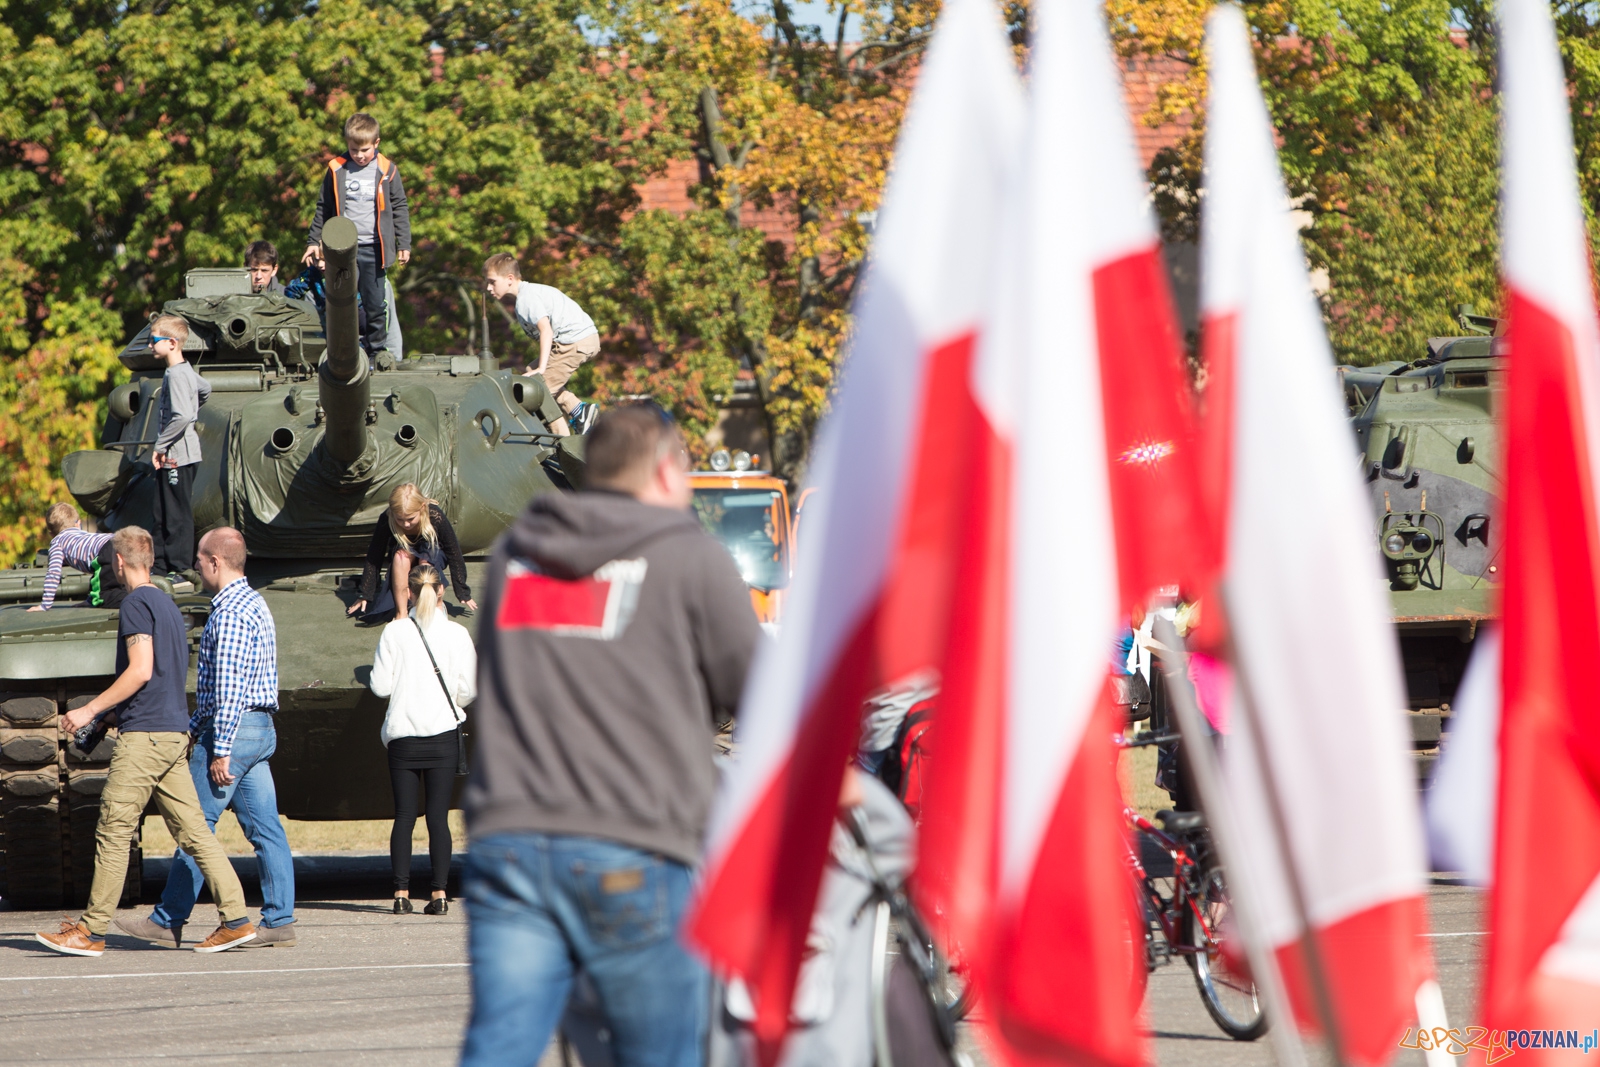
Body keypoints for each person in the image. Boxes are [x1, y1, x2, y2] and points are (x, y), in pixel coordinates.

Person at [460, 403, 762, 1066]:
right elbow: (761, 695)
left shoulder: (517, 555)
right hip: (633, 843)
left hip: (507, 845)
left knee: (498, 1048)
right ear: (663, 472)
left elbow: (501, 673)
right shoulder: (688, 555)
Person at [36, 527, 256, 956]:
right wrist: (115, 714)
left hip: (146, 740)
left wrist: (89, 711)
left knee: (115, 829)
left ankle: (91, 930)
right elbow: (159, 679)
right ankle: (237, 919)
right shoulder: (169, 607)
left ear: (118, 563)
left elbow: (139, 670)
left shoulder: (135, 603)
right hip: (173, 734)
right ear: (150, 559)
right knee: (195, 833)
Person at [113, 527, 297, 948]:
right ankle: (279, 919)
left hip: (235, 731)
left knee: (195, 826)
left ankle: (167, 919)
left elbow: (228, 689)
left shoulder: (229, 611)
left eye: (199, 558)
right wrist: (195, 729)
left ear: (216, 562)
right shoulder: (256, 602)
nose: (195, 565)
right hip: (259, 728)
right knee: (266, 828)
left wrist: (221, 747)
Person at [368, 564, 476, 914]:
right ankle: (439, 895)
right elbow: (470, 689)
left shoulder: (395, 632)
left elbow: (381, 686)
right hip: (443, 734)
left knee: (403, 816)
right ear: (441, 590)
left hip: (403, 735)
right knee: (438, 817)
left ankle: (400, 895)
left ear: (408, 593)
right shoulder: (458, 634)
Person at [304, 112, 411, 362]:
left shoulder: (387, 171)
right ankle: (345, 352)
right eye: (354, 150)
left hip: (375, 248)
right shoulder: (337, 169)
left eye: (364, 150)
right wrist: (312, 241)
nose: (359, 155)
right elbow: (324, 207)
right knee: (344, 303)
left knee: (375, 305)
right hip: (343, 249)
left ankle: (376, 353)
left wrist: (403, 243)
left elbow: (400, 207)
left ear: (376, 143)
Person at [483, 254, 599, 436]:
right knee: (531, 373)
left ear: (510, 279)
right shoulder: (527, 296)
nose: (489, 287)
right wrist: (538, 368)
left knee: (538, 390)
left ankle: (561, 440)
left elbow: (546, 331)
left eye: (492, 282)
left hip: (575, 341)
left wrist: (543, 368)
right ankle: (578, 410)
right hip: (576, 340)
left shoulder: (526, 300)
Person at [348, 484, 475, 620]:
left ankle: (436, 605)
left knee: (425, 561)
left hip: (432, 552)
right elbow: (375, 555)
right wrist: (365, 593)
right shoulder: (387, 518)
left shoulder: (435, 516)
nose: (406, 524)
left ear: (422, 508)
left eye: (410, 519)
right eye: (400, 520)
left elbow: (453, 552)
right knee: (400, 557)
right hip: (405, 550)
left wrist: (462, 591)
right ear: (392, 513)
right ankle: (401, 613)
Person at [149, 313, 212, 578]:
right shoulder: (183, 369)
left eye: (154, 340)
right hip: (178, 454)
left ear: (172, 343)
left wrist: (160, 446)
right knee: (162, 511)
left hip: (177, 456)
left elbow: (183, 416)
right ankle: (161, 565)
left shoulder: (176, 375)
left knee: (176, 514)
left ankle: (180, 567)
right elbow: (205, 388)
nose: (150, 346)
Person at [31, 502, 124, 611]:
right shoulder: (83, 536)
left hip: (106, 550)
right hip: (119, 540)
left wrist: (44, 605)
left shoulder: (57, 543)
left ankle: (128, 600)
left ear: (51, 534)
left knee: (103, 595)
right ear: (78, 524)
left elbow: (54, 572)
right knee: (124, 583)